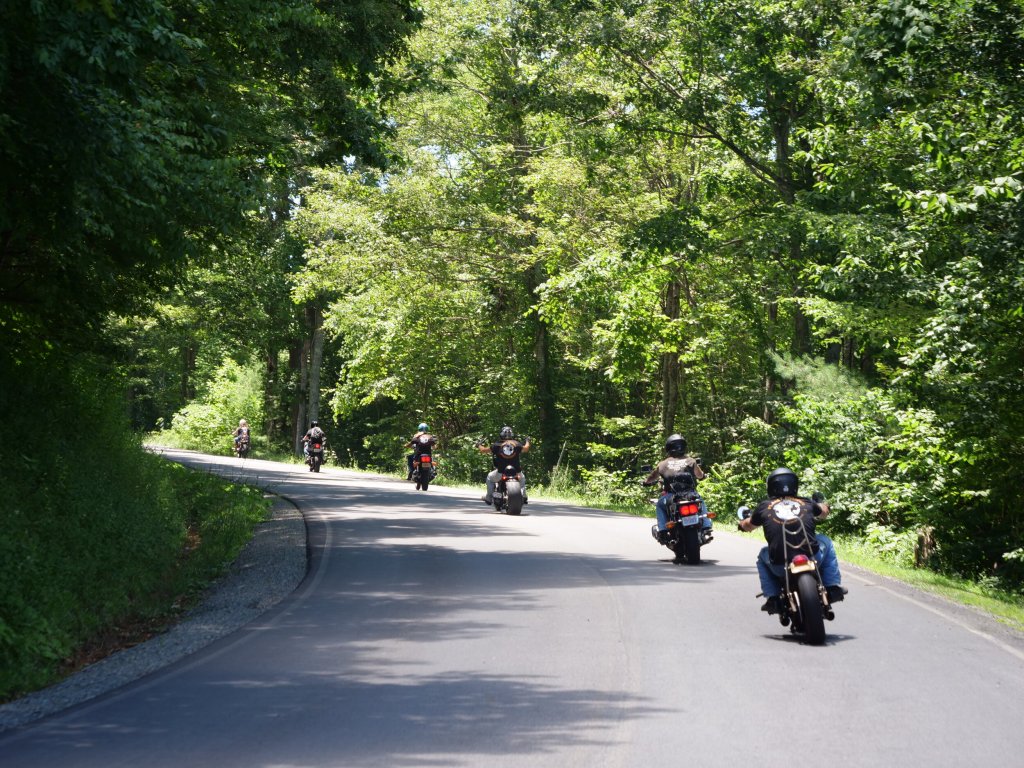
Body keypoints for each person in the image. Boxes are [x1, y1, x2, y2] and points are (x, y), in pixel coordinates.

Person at [738, 467, 847, 614]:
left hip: (779, 564)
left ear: (771, 486)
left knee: (762, 555)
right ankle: (832, 587)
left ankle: (773, 598)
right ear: (794, 485)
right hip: (812, 558)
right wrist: (823, 505)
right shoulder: (806, 503)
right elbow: (824, 512)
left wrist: (742, 524)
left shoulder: (764, 507)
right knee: (825, 541)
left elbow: (748, 525)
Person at [642, 434, 711, 542]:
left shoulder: (663, 464)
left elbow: (652, 477)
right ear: (683, 446)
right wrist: (703, 476)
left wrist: (646, 482)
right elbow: (699, 475)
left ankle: (663, 531)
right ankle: (706, 527)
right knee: (700, 501)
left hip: (671, 497)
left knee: (660, 505)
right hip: (690, 495)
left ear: (668, 447)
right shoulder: (691, 461)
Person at [477, 426, 530, 504]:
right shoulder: (517, 444)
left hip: (501, 472)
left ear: (501, 434)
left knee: (489, 477)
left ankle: (489, 498)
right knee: (522, 479)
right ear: (512, 435)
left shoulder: (497, 445)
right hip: (516, 472)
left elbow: (483, 450)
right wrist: (527, 441)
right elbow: (526, 448)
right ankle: (524, 496)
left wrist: (479, 444)